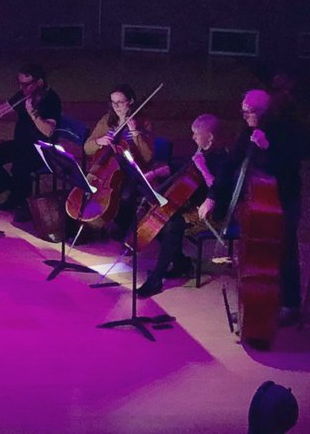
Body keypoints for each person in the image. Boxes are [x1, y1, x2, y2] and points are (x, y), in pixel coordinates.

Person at [200, 89, 305, 325]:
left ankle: (290, 305)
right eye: (243, 111)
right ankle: (258, 303)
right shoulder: (247, 129)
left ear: (264, 111)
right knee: (258, 255)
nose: (245, 116)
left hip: (285, 199)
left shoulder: (286, 128)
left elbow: (295, 159)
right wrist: (212, 196)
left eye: (250, 112)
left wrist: (269, 148)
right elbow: (230, 164)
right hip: (258, 201)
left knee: (285, 250)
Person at [134, 113, 229, 298]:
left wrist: (202, 167)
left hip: (212, 212)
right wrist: (153, 174)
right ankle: (181, 263)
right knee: (159, 220)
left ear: (209, 137)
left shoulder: (223, 159)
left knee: (173, 223)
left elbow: (217, 188)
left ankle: (156, 278)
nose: (192, 137)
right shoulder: (200, 153)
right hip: (194, 206)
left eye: (196, 133)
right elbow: (179, 165)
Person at [0, 63, 62, 222]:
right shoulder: (24, 95)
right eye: (19, 83)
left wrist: (33, 114)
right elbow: (0, 110)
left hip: (41, 149)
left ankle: (23, 203)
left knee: (20, 166)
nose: (22, 88)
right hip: (21, 145)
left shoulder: (51, 99)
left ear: (39, 83)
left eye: (26, 84)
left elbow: (48, 131)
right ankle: (15, 192)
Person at [84, 84, 157, 236]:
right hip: (107, 171)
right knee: (86, 190)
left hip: (131, 171)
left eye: (120, 102)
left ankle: (120, 227)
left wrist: (135, 133)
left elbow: (147, 157)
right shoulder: (106, 121)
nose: (116, 106)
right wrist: (99, 142)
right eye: (113, 102)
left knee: (126, 195)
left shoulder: (143, 123)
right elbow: (87, 148)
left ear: (130, 101)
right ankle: (91, 226)